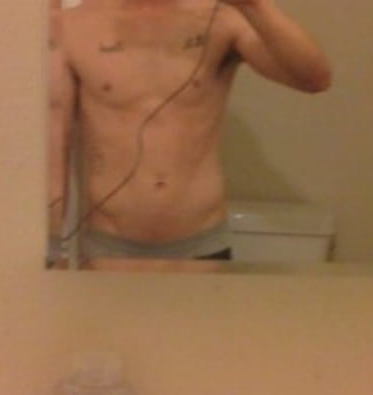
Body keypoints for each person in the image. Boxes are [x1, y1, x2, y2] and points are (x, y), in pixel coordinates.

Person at [48, 0, 332, 267]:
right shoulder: (75, 26)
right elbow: (54, 150)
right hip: (108, 247)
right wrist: (51, 249)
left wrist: (254, 5)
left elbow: (314, 79)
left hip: (202, 243)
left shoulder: (220, 18)